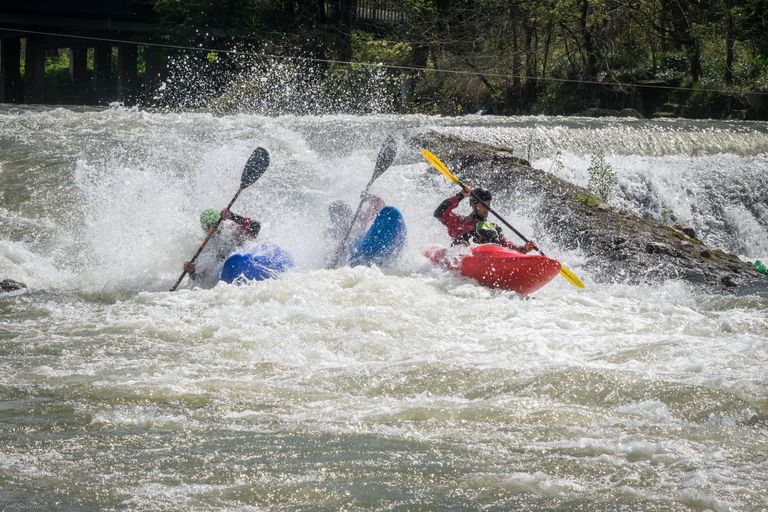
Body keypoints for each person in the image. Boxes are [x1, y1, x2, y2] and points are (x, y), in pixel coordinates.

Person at [434, 186, 537, 252]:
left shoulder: (493, 228)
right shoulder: (459, 221)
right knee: (479, 232)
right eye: (484, 204)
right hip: (462, 259)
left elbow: (507, 246)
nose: (487, 208)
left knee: (488, 231)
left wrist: (524, 249)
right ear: (473, 204)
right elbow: (439, 213)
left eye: (489, 203)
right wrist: (460, 195)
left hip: (488, 260)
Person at [183, 207, 260, 287]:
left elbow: (256, 227)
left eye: (214, 225)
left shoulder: (231, 230)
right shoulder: (202, 247)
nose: (211, 229)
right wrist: (191, 272)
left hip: (241, 262)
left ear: (221, 223)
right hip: (224, 276)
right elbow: (201, 279)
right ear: (204, 228)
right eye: (208, 226)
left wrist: (232, 216)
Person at [325, 193, 385, 267]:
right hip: (347, 260)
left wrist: (370, 197)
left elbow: (380, 204)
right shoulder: (331, 232)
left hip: (363, 246)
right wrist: (337, 251)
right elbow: (328, 254)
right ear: (334, 220)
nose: (343, 220)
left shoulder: (358, 219)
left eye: (345, 215)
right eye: (339, 217)